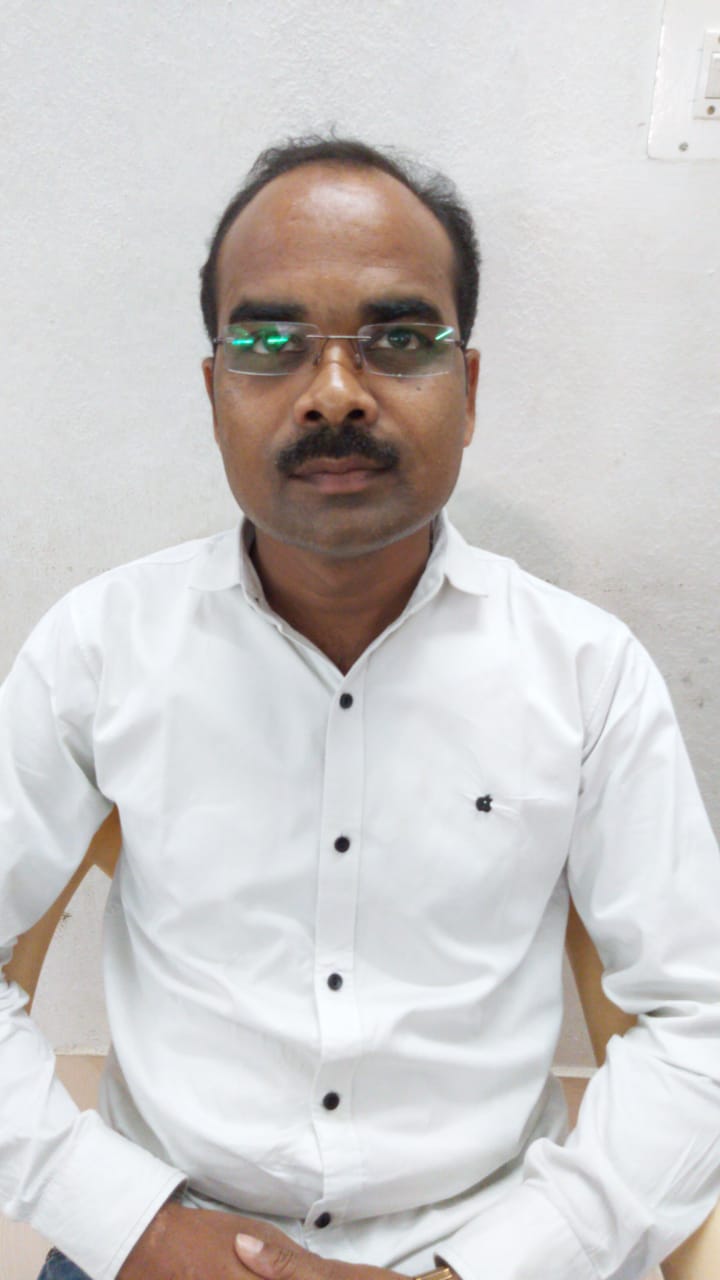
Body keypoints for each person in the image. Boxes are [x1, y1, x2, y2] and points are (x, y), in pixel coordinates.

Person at [1, 136, 719, 1280]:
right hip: (161, 1235)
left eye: (399, 338)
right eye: (268, 342)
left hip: (492, 1240)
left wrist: (490, 1266)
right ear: (214, 392)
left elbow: (699, 1020)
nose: (334, 391)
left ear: (468, 390)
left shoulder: (588, 673)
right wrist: (135, 1225)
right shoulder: (97, 650)